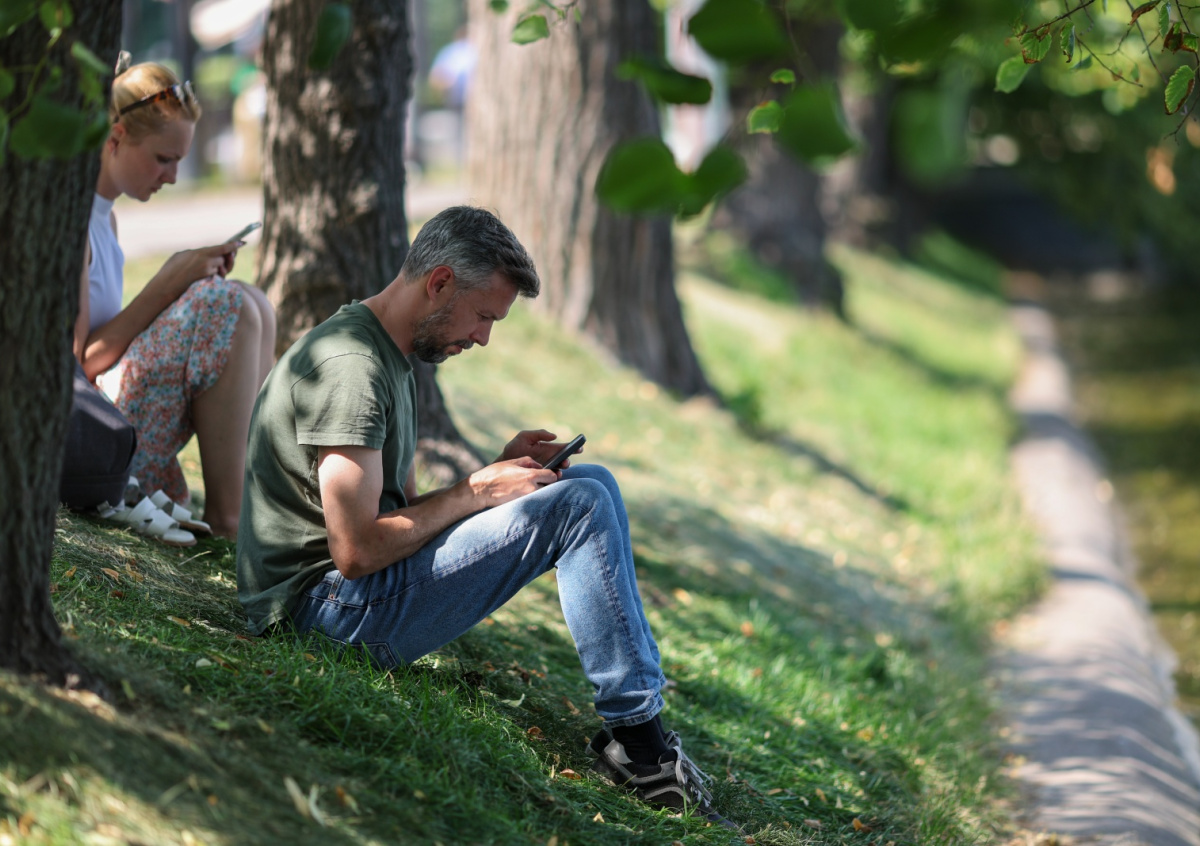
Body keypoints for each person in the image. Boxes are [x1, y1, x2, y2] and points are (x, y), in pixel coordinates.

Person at [236, 206, 727, 823]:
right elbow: (356, 551)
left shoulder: (388, 353)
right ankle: (643, 747)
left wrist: (493, 477)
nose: (484, 337)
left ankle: (639, 732)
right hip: (316, 615)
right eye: (484, 315)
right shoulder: (352, 369)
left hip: (345, 595)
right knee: (577, 505)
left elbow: (396, 517)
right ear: (440, 283)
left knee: (588, 482)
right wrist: (474, 492)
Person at [76, 57, 276, 539]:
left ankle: (256, 501)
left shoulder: (107, 220)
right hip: (92, 435)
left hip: (117, 411)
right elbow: (75, 367)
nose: (171, 176)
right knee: (225, 306)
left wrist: (180, 284)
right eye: (164, 159)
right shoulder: (73, 225)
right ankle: (231, 521)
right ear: (116, 137)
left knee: (252, 301)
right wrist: (168, 283)